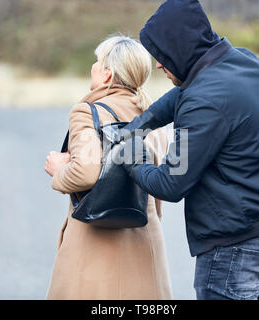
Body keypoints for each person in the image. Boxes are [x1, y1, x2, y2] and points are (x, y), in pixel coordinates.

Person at [116, 0, 259, 300]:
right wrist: (141, 124)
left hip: (237, 247)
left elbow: (171, 183)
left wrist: (131, 157)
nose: (158, 64)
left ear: (179, 49)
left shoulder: (203, 102)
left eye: (162, 55)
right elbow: (183, 94)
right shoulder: (245, 61)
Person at [44, 35, 172, 299]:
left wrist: (58, 170)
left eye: (97, 61)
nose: (93, 66)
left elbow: (86, 171)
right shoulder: (152, 114)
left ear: (107, 74)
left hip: (95, 248)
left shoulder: (87, 113)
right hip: (145, 242)